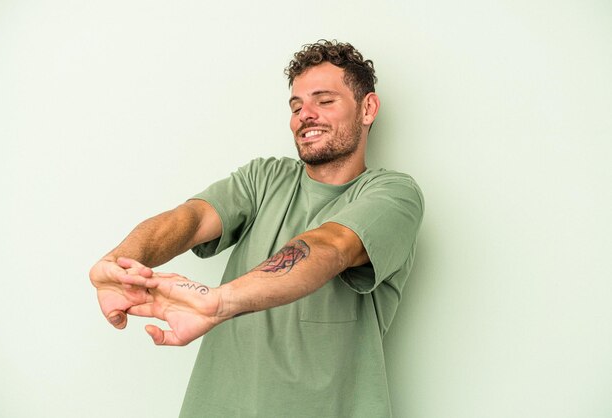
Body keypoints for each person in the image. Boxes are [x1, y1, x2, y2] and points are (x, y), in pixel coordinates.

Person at [90, 39, 424, 418]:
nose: (305, 115)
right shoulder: (264, 177)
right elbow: (192, 218)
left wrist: (216, 303)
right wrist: (121, 262)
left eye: (324, 101)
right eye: (296, 106)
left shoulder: (394, 194)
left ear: (368, 108)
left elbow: (331, 246)